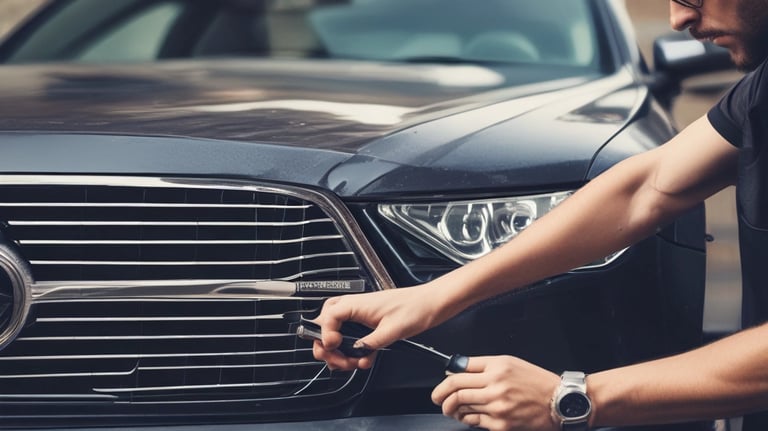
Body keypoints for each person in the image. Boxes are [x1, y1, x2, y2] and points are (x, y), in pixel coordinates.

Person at [313, 0, 768, 430]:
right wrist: (429, 298)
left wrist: (571, 397)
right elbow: (646, 188)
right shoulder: (758, 92)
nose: (676, 18)